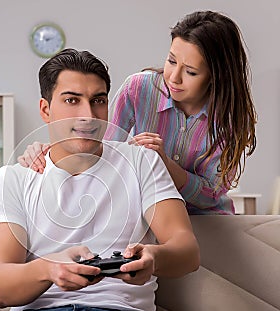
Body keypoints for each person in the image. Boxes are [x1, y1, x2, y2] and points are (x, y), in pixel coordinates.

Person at [0, 48, 203, 311]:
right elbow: (0, 288)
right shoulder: (11, 180)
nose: (87, 114)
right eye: (71, 100)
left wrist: (152, 257)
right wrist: (48, 269)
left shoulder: (141, 163)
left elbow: (187, 250)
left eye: (98, 100)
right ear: (45, 109)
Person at [18, 10, 257, 215]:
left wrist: (164, 165)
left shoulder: (230, 118)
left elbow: (211, 196)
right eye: (172, 61)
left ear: (217, 76)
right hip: (149, 214)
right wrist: (48, 153)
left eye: (191, 72)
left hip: (208, 220)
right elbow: (101, 150)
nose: (174, 78)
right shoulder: (139, 89)